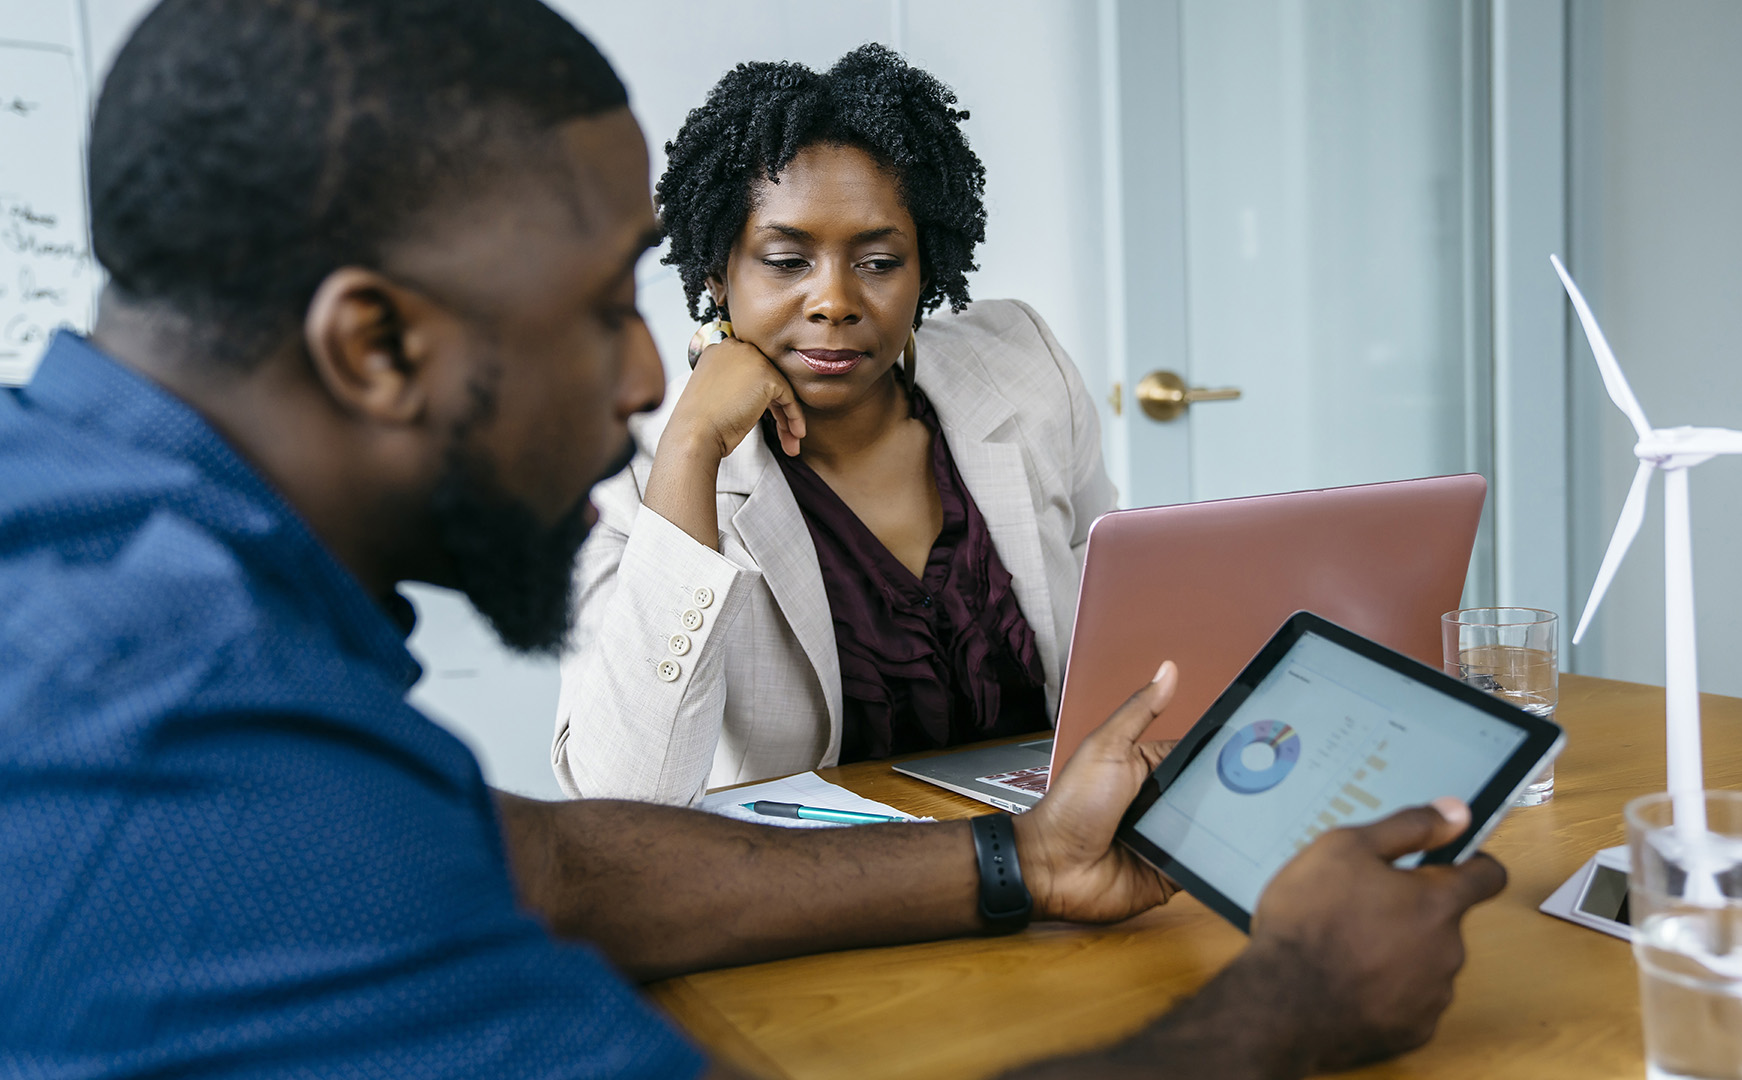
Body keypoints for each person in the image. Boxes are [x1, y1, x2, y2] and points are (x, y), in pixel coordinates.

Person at [0, 3, 1506, 1078]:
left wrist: (1011, 864)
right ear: (375, 345)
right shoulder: (179, 746)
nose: (651, 372)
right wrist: (1292, 1009)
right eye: (606, 310)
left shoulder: (94, 536)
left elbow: (548, 866)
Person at [554, 47, 1114, 805]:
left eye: (880, 262)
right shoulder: (627, 461)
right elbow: (622, 798)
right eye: (786, 261)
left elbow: (1120, 637)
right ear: (719, 275)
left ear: (928, 269)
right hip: (822, 901)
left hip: (1056, 863)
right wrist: (690, 451)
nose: (835, 301)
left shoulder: (1024, 369)